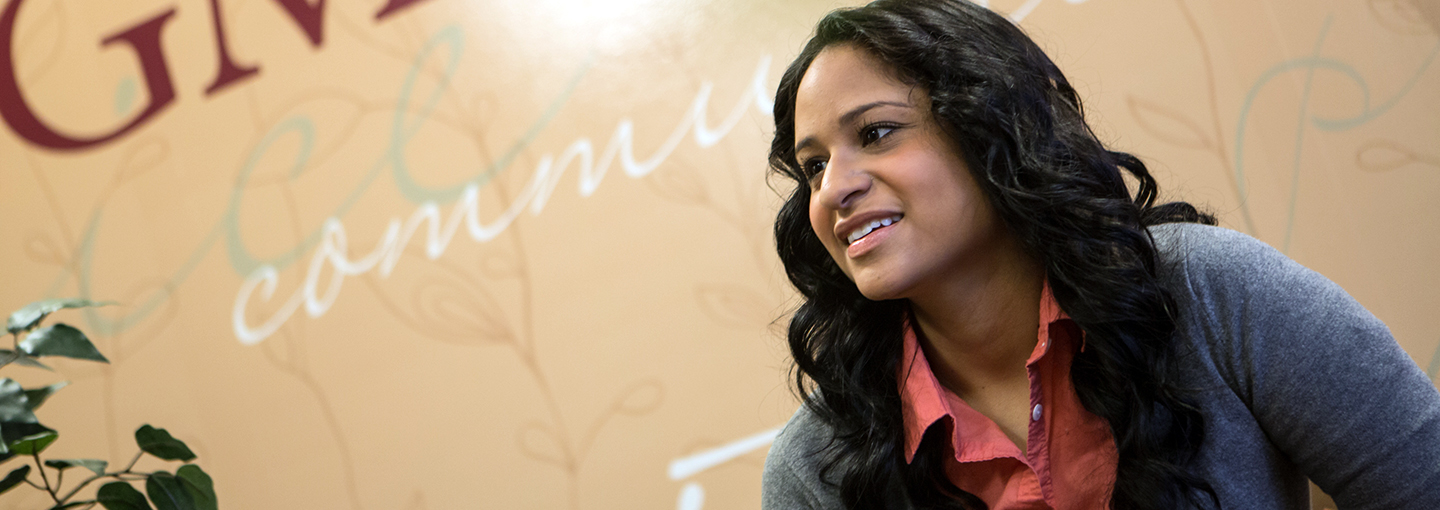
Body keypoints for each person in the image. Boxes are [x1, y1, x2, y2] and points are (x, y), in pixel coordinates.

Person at [759, 1, 1440, 509]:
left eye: (876, 133)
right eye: (812, 166)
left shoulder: (1212, 291)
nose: (834, 189)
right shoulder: (809, 469)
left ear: (994, 126)